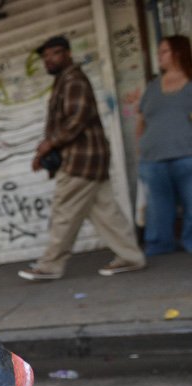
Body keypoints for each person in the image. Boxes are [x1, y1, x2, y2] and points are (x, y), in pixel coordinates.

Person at [18, 35, 146, 281]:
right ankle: (131, 257)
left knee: (64, 212)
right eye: (45, 56)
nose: (48, 60)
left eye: (53, 54)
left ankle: (50, 265)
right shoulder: (65, 81)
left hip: (81, 159)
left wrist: (47, 146)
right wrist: (45, 150)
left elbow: (76, 120)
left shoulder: (73, 80)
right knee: (106, 212)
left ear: (67, 53)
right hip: (91, 159)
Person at [136, 35, 192, 256]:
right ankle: (160, 246)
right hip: (153, 158)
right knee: (158, 209)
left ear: (178, 53)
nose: (159, 56)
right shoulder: (152, 87)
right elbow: (141, 120)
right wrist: (141, 147)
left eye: (164, 51)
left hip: (186, 154)